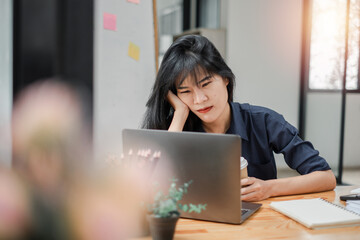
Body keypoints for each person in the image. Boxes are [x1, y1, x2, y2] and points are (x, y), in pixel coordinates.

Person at [142, 35, 336, 202]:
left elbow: (326, 178)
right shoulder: (175, 129)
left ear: (225, 78)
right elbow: (154, 190)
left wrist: (269, 188)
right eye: (185, 91)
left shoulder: (263, 121)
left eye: (206, 83)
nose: (200, 99)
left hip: (257, 225)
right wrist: (180, 115)